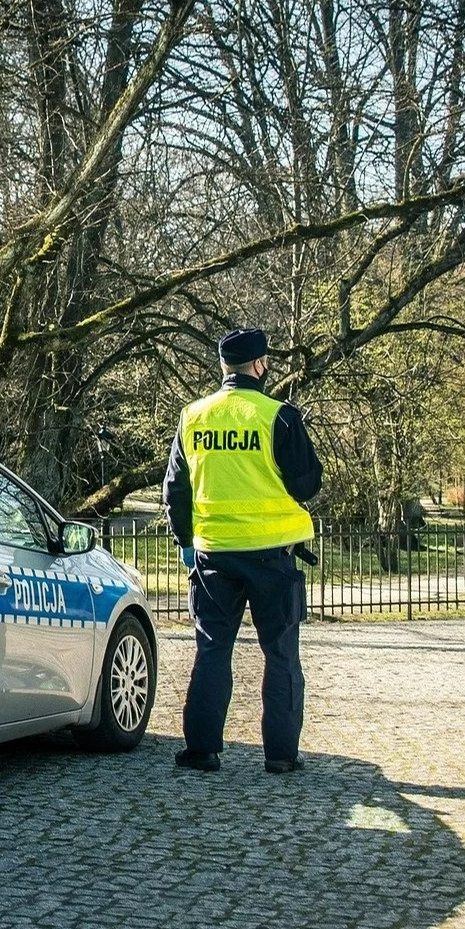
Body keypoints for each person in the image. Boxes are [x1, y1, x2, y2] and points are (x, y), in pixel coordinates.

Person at [162, 327, 322, 774]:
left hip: (214, 556)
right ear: (259, 365)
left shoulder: (193, 417)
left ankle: (202, 750)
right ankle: (282, 756)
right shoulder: (279, 416)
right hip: (272, 555)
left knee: (212, 649)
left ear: (223, 367)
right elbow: (307, 483)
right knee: (281, 653)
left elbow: (175, 489)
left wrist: (186, 542)